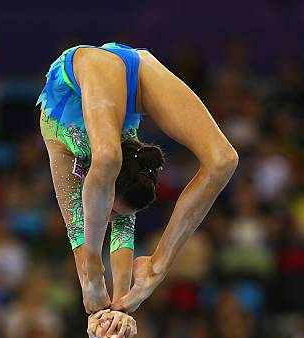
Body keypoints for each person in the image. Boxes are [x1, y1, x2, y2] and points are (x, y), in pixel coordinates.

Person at [37, 42, 238, 314]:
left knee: (224, 161)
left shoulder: (123, 160)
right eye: (110, 210)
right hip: (86, 70)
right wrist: (89, 269)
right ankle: (93, 264)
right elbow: (77, 232)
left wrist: (121, 303)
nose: (109, 218)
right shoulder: (59, 137)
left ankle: (156, 269)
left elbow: (123, 227)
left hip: (137, 68)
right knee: (107, 158)